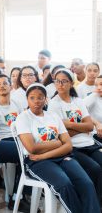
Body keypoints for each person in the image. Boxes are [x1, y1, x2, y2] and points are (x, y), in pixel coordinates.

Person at [16, 83, 100, 213]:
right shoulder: (23, 118)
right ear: (27, 99)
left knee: (86, 183)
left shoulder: (53, 116)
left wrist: (44, 153)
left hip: (58, 157)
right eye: (32, 98)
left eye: (40, 97)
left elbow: (68, 146)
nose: (36, 101)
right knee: (64, 184)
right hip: (37, 162)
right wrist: (57, 143)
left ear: (46, 99)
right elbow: (32, 148)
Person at [48, 69, 102, 201]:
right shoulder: (54, 104)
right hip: (73, 148)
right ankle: (95, 203)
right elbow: (61, 135)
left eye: (64, 81)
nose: (60, 84)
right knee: (95, 168)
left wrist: (68, 124)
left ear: (71, 83)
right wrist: (82, 127)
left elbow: (89, 126)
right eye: (57, 81)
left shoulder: (77, 101)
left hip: (89, 143)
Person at [0, 74, 25, 210]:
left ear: (11, 86)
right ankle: (19, 196)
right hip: (2, 141)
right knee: (25, 153)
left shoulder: (17, 104)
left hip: (18, 138)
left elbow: (23, 126)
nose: (1, 86)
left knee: (25, 153)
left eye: (5, 83)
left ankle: (16, 195)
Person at [84, 75, 102, 143]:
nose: (98, 88)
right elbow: (79, 110)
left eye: (101, 84)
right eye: (96, 85)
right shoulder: (94, 96)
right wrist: (97, 124)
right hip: (95, 135)